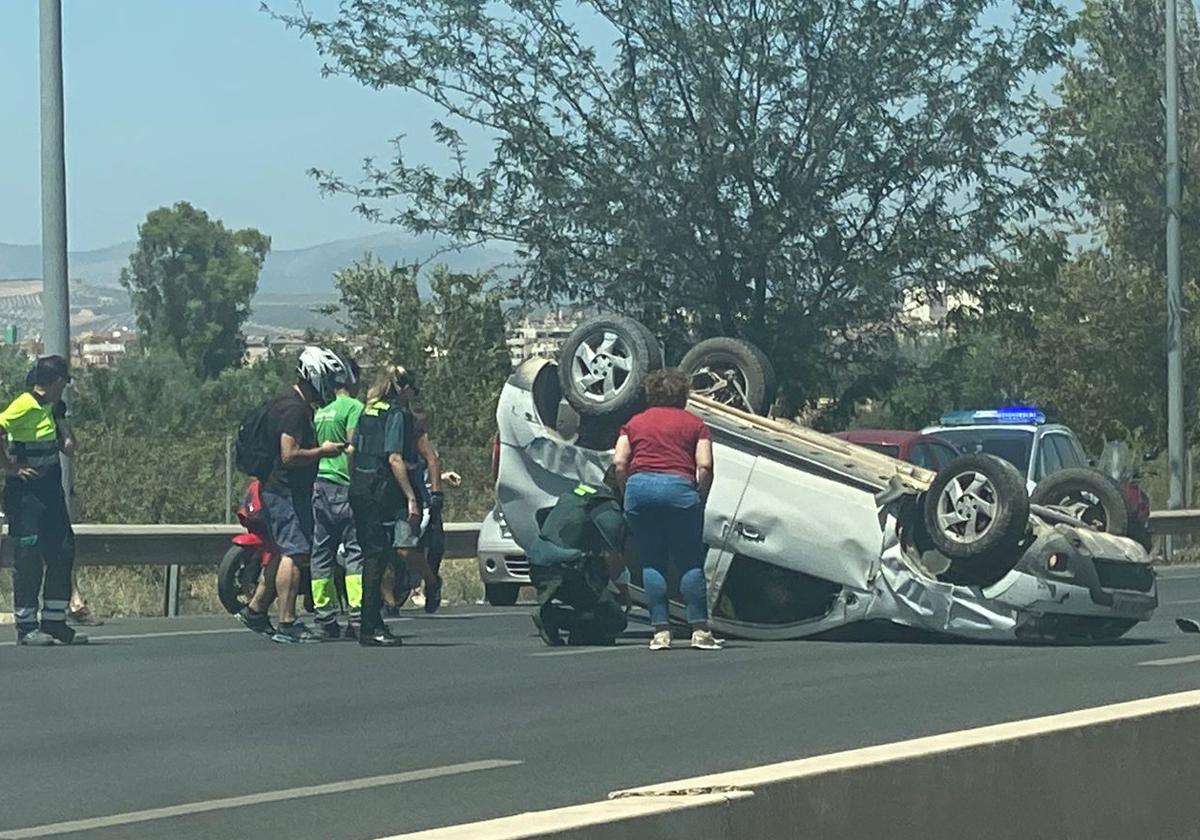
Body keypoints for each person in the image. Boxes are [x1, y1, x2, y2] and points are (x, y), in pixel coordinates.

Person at [236, 347, 347, 644]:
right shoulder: (295, 410)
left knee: (283, 549)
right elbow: (289, 454)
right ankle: (288, 621)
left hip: (276, 488)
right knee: (294, 554)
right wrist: (323, 452)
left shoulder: (284, 402)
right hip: (285, 491)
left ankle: (257, 609)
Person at [613, 368, 721, 651]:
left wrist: (628, 493)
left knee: (652, 560)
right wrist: (701, 496)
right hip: (679, 492)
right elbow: (705, 465)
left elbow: (619, 462)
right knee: (689, 561)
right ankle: (699, 630)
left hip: (639, 491)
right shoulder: (696, 425)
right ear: (683, 394)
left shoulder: (633, 424)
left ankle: (661, 631)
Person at [1, 355, 86, 645]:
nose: (64, 388)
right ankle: (26, 626)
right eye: (63, 383)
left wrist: (61, 420)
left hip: (50, 491)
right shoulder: (23, 404)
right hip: (25, 494)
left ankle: (55, 622)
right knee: (28, 557)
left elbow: (70, 448)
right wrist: (8, 466)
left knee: (62, 551)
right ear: (55, 382)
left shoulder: (51, 408)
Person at [348, 364, 423, 647]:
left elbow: (352, 450)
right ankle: (370, 626)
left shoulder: (367, 409)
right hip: (379, 492)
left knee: (371, 554)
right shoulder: (396, 413)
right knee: (376, 558)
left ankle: (373, 622)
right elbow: (394, 458)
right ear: (402, 388)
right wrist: (411, 497)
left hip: (359, 488)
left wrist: (355, 481)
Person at [528, 481, 630, 647]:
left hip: (536, 564)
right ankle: (554, 617)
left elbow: (543, 516)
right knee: (616, 621)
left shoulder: (581, 493)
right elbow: (613, 559)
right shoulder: (608, 510)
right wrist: (624, 593)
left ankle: (579, 628)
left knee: (599, 633)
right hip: (566, 570)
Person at [310, 358, 365, 639]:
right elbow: (353, 447)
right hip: (344, 486)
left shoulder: (321, 412)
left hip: (319, 486)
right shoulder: (354, 408)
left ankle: (325, 617)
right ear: (352, 380)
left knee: (321, 553)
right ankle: (357, 614)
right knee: (355, 550)